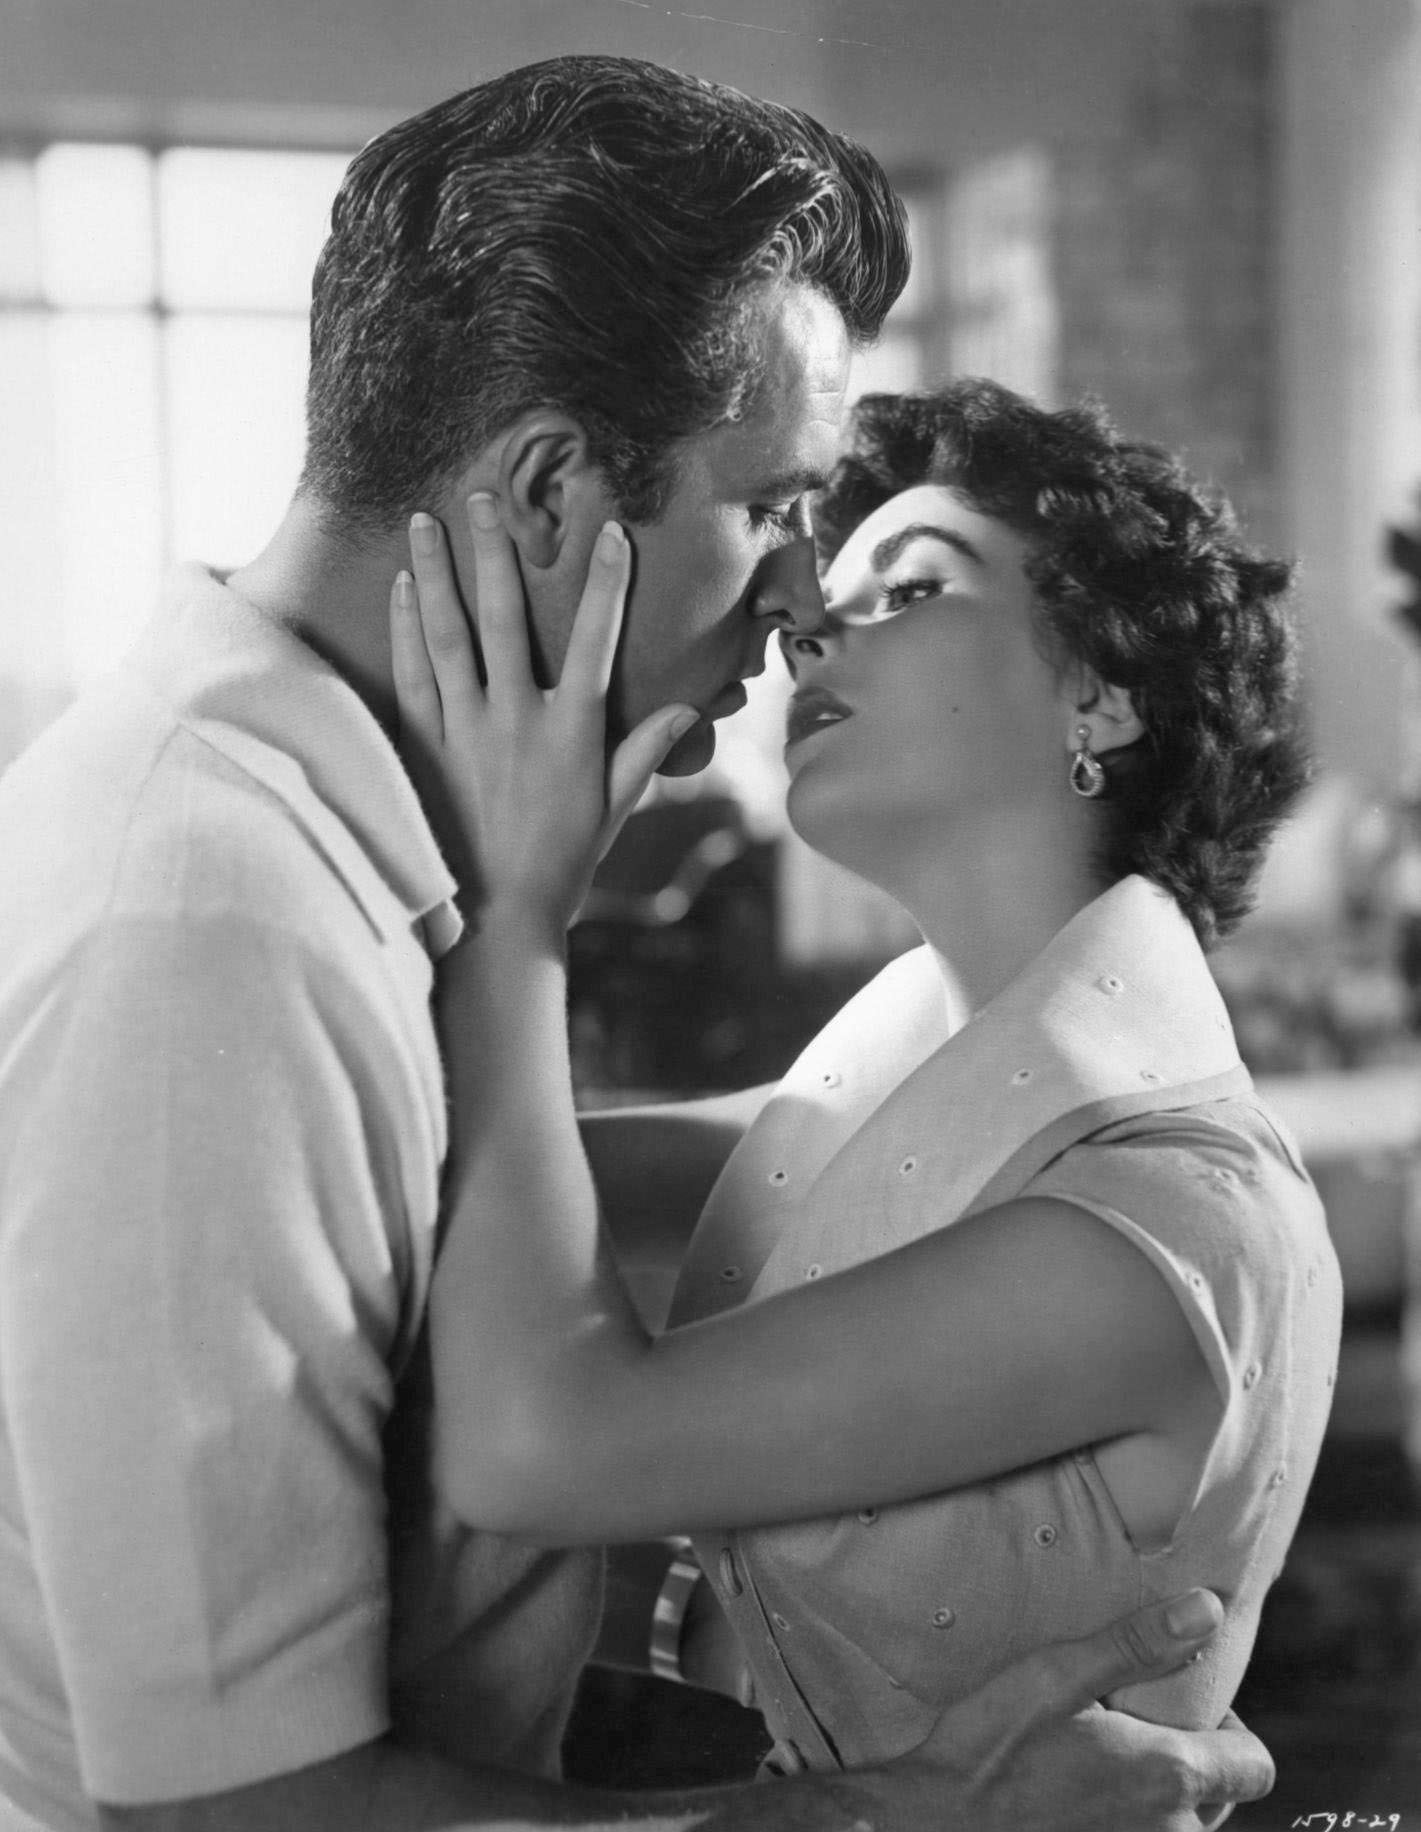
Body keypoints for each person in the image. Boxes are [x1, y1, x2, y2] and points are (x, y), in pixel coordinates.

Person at [0, 49, 1272, 1832]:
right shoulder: (213, 926)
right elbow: (232, 1817)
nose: (794, 601)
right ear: (544, 497)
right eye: (768, 508)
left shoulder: (310, 859)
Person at [388, 379, 1341, 1785]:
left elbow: (537, 1453)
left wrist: (527, 912)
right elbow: (465, 1170)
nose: (807, 629)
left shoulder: (1154, 1219)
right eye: (820, 592)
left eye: (908, 589)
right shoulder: (890, 1100)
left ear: (1097, 693)